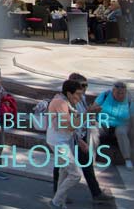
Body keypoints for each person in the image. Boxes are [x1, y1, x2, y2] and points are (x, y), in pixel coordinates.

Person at [53, 73, 114, 204]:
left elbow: (81, 117)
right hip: (68, 138)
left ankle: (95, 193)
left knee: (84, 164)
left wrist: (90, 117)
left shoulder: (81, 97)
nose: (85, 88)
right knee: (63, 168)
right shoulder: (63, 101)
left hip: (78, 135)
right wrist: (89, 114)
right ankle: (57, 196)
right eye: (83, 85)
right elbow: (70, 123)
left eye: (86, 85)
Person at [48, 78, 85, 208]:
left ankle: (60, 203)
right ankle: (55, 202)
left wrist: (79, 139)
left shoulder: (66, 101)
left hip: (63, 140)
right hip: (58, 142)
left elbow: (71, 126)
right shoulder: (60, 102)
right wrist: (86, 115)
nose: (81, 97)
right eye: (79, 94)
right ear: (69, 93)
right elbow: (70, 126)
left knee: (64, 172)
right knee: (75, 174)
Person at [92, 80, 134, 170]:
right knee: (92, 130)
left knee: (121, 132)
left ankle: (127, 159)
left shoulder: (129, 99)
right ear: (113, 91)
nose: (120, 95)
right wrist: (92, 119)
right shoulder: (105, 95)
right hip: (103, 123)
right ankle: (91, 157)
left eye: (123, 93)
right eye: (118, 93)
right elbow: (94, 108)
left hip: (121, 124)